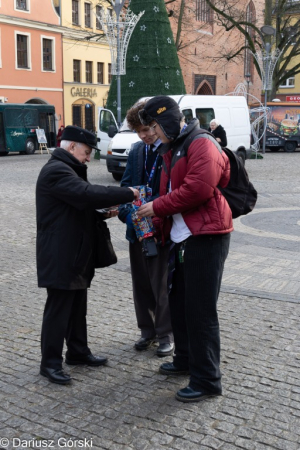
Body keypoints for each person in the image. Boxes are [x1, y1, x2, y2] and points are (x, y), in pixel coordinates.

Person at [137, 96, 233, 403]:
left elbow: (198, 188)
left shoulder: (200, 142)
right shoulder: (174, 146)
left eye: (153, 126)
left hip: (206, 236)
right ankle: (185, 360)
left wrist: (156, 208)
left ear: (165, 121)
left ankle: (207, 380)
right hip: (183, 237)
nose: (151, 133)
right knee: (179, 303)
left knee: (200, 310)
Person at [36, 125, 139, 385]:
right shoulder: (57, 170)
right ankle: (49, 364)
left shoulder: (67, 168)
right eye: (86, 152)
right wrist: (128, 192)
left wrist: (104, 212)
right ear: (71, 147)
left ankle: (78, 352)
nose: (88, 158)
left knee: (77, 307)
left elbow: (77, 206)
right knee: (58, 310)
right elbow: (85, 194)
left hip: (75, 251)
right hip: (61, 254)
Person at [118, 101, 174, 357]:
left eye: (147, 129)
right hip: (137, 229)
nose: (144, 135)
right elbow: (125, 186)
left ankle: (166, 334)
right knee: (140, 283)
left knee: (161, 284)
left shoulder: (170, 149)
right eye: (139, 131)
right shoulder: (137, 151)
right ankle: (147, 331)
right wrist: (127, 214)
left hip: (162, 228)